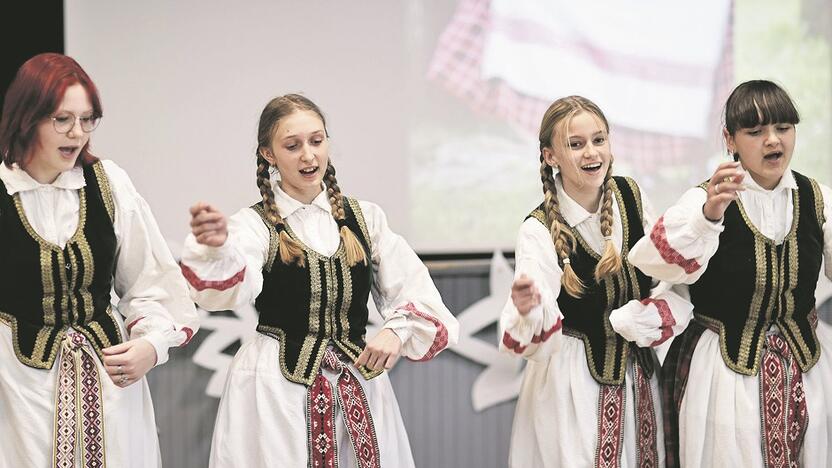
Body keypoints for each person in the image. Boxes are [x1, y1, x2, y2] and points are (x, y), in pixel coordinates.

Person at [180, 93, 459, 467]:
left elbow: (414, 289)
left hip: (357, 384)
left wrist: (396, 331)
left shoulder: (364, 219)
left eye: (316, 140)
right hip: (277, 393)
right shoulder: (254, 225)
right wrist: (216, 248)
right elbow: (231, 284)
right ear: (268, 154)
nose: (308, 156)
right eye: (292, 146)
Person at [0, 53, 199, 468]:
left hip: (109, 385)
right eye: (62, 119)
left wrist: (151, 344)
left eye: (88, 119)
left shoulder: (107, 183)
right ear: (26, 118)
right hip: (18, 389)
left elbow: (152, 283)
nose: (78, 133)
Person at [629, 79, 832, 467]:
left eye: (783, 128)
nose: (773, 141)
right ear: (730, 138)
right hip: (723, 372)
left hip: (805, 368)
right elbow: (655, 262)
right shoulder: (704, 198)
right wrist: (708, 218)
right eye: (755, 132)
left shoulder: (817, 198)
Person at [500, 95, 692, 468]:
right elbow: (533, 295)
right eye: (575, 144)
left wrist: (649, 314)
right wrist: (529, 308)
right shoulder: (538, 229)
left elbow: (664, 274)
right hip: (573, 385)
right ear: (549, 156)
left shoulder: (631, 197)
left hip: (638, 376)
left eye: (598, 140)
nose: (592, 152)